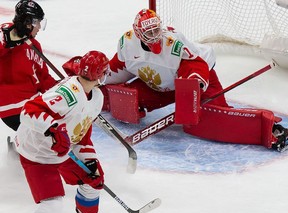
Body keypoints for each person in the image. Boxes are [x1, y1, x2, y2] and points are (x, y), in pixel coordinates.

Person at [64, 9, 288, 152]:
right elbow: (117, 69)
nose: (154, 36)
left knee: (206, 121)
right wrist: (89, 80)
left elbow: (196, 64)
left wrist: (193, 87)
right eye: (148, 32)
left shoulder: (173, 42)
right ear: (138, 33)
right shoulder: (127, 43)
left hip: (196, 79)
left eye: (156, 30)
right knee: (118, 95)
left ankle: (268, 129)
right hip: (159, 86)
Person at [15, 50, 108, 213]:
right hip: (37, 155)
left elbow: (82, 133)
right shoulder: (67, 94)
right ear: (100, 75)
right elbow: (28, 111)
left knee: (94, 181)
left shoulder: (97, 98)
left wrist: (90, 160)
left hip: (64, 151)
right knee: (53, 207)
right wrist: (52, 129)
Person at [0, 0, 57, 132]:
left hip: (33, 103)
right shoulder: (5, 32)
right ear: (27, 22)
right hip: (13, 106)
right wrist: (6, 43)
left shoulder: (34, 45)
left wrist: (61, 90)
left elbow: (43, 78)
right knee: (53, 133)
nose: (38, 27)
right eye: (36, 22)